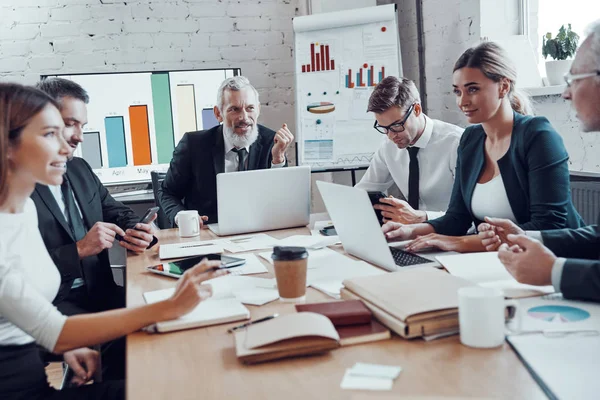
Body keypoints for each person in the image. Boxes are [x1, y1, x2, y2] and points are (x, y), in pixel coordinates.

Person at [0, 82, 227, 399]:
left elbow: (29, 318)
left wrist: (138, 230)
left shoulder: (20, 211)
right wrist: (168, 306)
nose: (69, 144)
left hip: (43, 360)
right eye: (53, 133)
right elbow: (51, 328)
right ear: (7, 145)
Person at [383, 42, 584, 253]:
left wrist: (462, 243)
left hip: (558, 262)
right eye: (458, 92)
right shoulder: (470, 139)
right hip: (497, 261)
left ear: (504, 87)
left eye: (473, 89)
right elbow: (457, 218)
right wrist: (410, 231)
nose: (463, 101)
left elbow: (549, 227)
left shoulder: (538, 136)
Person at [479, 21, 600, 302]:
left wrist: (555, 271)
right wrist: (529, 236)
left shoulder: (537, 134)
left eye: (574, 79)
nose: (565, 92)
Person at [32, 77, 157, 316]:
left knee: (161, 309)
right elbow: (17, 271)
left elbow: (117, 211)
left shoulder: (79, 168)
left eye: (83, 126)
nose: (79, 136)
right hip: (54, 305)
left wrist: (138, 231)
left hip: (101, 293)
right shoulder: (16, 185)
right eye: (71, 124)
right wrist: (79, 249)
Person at [158, 76, 294, 227]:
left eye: (250, 108)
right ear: (218, 113)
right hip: (208, 234)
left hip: (258, 233)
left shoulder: (271, 142)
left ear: (258, 109)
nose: (244, 117)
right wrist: (181, 216)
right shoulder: (194, 144)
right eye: (234, 109)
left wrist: (278, 159)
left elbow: (280, 200)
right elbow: (167, 192)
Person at [355, 76, 464, 223]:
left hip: (452, 235)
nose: (391, 136)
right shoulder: (388, 145)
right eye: (384, 128)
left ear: (417, 109)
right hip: (409, 236)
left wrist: (421, 217)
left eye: (396, 126)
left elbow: (469, 216)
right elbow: (362, 192)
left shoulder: (456, 143)